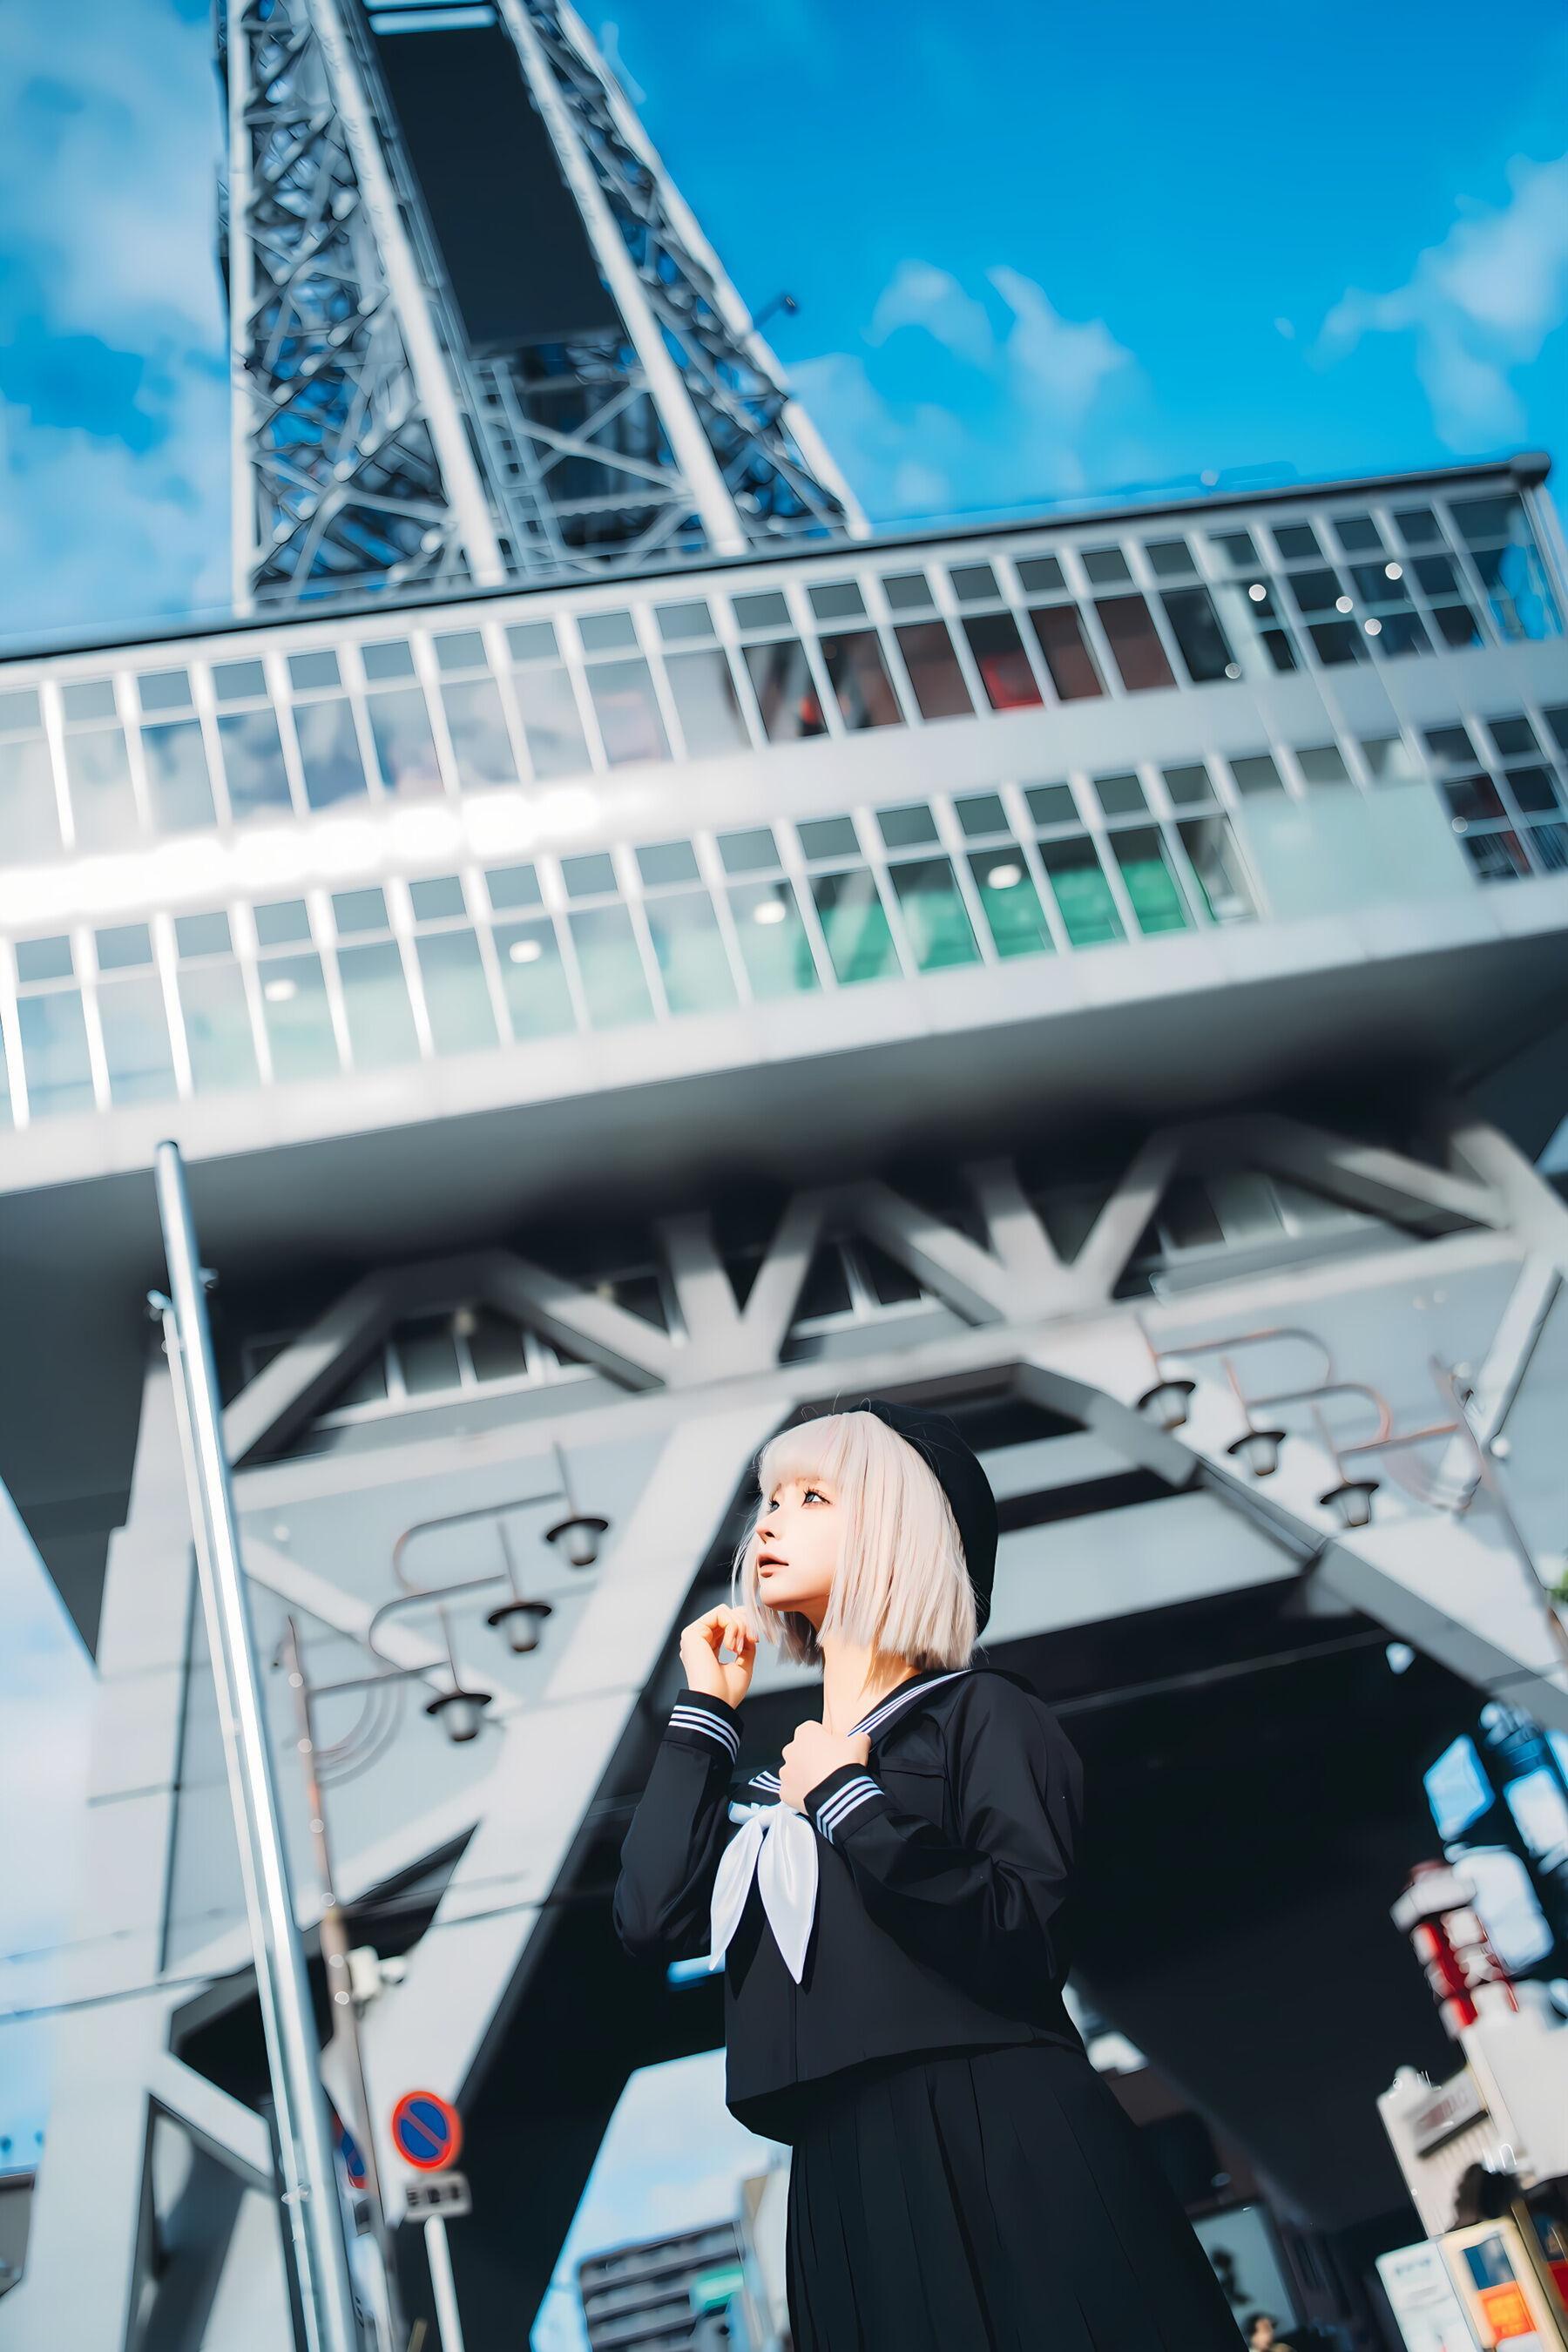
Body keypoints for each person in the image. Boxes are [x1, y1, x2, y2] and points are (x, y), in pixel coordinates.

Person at [614, 1398, 1242, 2349]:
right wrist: (706, 1714)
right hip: (836, 2185)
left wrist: (853, 1806)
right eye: (770, 1499)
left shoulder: (983, 1716)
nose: (769, 1523)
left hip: (999, 2137)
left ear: (895, 1528)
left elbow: (1022, 1935)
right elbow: (651, 1916)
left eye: (812, 1497)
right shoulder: (781, 1788)